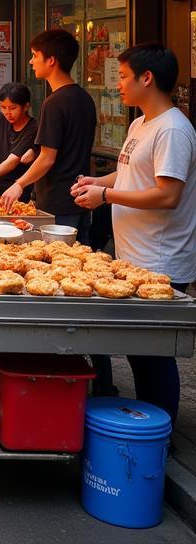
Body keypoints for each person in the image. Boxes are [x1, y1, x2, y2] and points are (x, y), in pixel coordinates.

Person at [71, 44, 196, 422]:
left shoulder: (173, 129)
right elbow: (130, 174)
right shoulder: (140, 123)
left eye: (123, 76)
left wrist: (105, 195)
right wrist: (99, 180)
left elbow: (167, 194)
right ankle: (146, 424)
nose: (118, 84)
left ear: (147, 78)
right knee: (141, 353)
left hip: (160, 260)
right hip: (133, 256)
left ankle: (159, 435)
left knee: (154, 355)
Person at [0, 29, 97, 241]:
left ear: (51, 60)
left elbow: (47, 157)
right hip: (80, 199)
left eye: (35, 55)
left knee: (57, 262)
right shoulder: (85, 98)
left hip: (58, 201)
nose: (31, 61)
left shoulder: (53, 103)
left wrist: (19, 184)